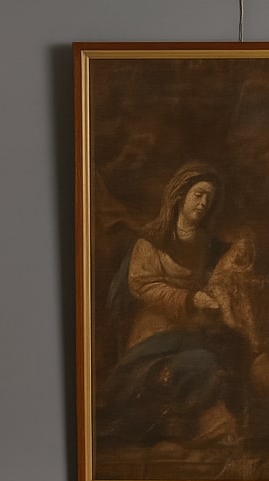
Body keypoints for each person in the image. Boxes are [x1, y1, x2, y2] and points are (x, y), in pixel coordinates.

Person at [97, 162, 250, 454]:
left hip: (196, 330)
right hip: (155, 335)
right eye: (198, 195)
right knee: (202, 362)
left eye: (209, 198)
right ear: (180, 196)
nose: (203, 203)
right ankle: (174, 423)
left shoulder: (207, 244)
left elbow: (221, 276)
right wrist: (190, 299)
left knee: (231, 357)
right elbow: (142, 285)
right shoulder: (150, 241)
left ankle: (207, 426)